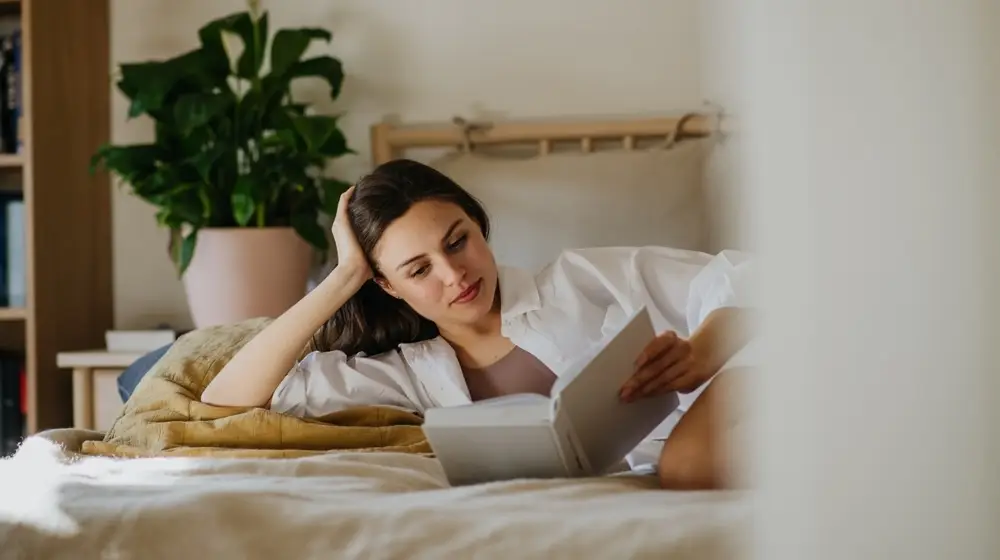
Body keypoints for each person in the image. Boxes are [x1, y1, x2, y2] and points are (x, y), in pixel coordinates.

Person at [200, 159, 755, 490]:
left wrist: (707, 345)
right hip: (690, 459)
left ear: (478, 224)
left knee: (688, 467)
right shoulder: (408, 375)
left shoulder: (579, 278)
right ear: (386, 284)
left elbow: (756, 277)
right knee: (687, 470)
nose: (454, 275)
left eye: (458, 240)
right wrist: (344, 276)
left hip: (750, 381)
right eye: (419, 270)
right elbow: (230, 399)